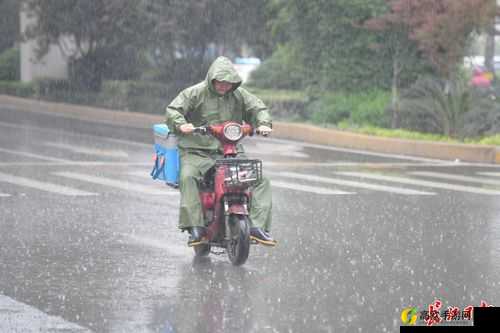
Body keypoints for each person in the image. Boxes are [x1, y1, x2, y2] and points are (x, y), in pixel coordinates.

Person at [165, 56, 276, 247]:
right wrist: (182, 125)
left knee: (262, 179)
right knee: (187, 176)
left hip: (230, 151)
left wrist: (264, 123)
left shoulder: (240, 95)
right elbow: (173, 110)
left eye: (228, 83)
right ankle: (195, 227)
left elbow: (258, 108)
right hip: (196, 151)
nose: (224, 86)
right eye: (220, 82)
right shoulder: (195, 93)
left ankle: (257, 227)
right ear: (212, 79)